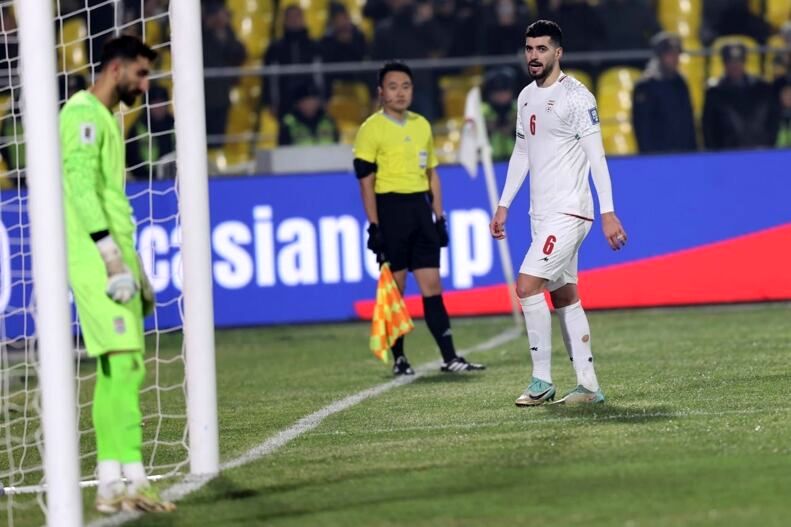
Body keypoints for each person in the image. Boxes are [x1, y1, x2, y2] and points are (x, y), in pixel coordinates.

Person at [59, 35, 174, 514]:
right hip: (95, 261)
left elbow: (109, 198)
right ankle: (135, 480)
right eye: (141, 74)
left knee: (118, 370)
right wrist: (110, 258)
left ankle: (111, 486)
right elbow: (81, 190)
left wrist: (136, 269)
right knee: (126, 365)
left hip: (115, 259)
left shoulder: (106, 117)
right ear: (115, 70)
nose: (146, 85)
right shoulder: (83, 115)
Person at [490, 20, 627, 406]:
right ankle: (588, 386)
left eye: (542, 49)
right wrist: (504, 204)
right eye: (530, 48)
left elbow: (596, 156)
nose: (534, 56)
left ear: (558, 53)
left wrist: (608, 212)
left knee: (526, 286)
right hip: (541, 213)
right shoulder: (525, 97)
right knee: (565, 296)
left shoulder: (577, 98)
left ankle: (541, 380)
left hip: (570, 211)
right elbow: (522, 152)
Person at [353, 61, 485, 375]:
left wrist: (439, 217)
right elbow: (365, 181)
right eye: (393, 87)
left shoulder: (422, 125)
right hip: (391, 210)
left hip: (420, 211)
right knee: (395, 288)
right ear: (381, 92)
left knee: (432, 284)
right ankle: (399, 358)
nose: (400, 93)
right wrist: (374, 225)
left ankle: (450, 357)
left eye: (406, 86)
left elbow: (432, 175)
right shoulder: (371, 128)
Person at [702, 43, 779, 150]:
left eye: (738, 61)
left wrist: (769, 145)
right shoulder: (715, 93)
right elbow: (708, 129)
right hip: (727, 155)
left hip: (760, 152)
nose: (735, 65)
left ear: (744, 62)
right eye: (730, 61)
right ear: (724, 63)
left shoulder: (762, 88)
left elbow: (773, 120)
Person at [632, 32, 697, 153]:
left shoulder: (680, 82)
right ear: (659, 56)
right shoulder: (646, 85)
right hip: (658, 155)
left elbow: (688, 121)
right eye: (670, 54)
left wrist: (692, 151)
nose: (675, 59)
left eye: (677, 54)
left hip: (683, 153)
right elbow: (642, 128)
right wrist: (648, 156)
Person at [263, 5, 320, 116]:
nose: (294, 20)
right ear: (284, 20)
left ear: (303, 19)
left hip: (310, 102)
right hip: (285, 104)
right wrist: (272, 102)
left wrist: (320, 98)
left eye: (297, 17)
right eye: (290, 17)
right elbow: (269, 79)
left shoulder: (314, 47)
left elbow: (320, 75)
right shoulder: (274, 49)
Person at [202, 0, 246, 137]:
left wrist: (224, 36)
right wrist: (205, 28)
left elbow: (239, 55)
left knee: (218, 139)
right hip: (201, 95)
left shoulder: (228, 33)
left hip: (221, 96)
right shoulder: (199, 34)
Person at [126, 84, 175, 179]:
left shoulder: (175, 125)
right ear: (147, 106)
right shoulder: (137, 128)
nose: (159, 108)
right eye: (155, 103)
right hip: (144, 181)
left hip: (173, 179)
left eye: (162, 103)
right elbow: (131, 158)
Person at [481, 67, 518, 160]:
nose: (501, 95)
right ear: (490, 93)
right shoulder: (482, 111)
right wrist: (486, 127)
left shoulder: (519, 109)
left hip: (517, 160)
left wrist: (514, 127)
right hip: (489, 162)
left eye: (505, 91)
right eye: (497, 91)